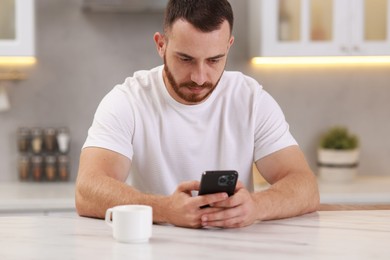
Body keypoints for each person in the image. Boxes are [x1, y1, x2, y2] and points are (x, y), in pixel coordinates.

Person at [75, 0, 319, 229]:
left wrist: (256, 206)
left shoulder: (251, 99)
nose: (199, 77)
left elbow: (306, 187)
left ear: (228, 46)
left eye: (214, 60)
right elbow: (87, 190)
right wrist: (165, 209)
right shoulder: (127, 100)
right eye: (185, 59)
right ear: (161, 45)